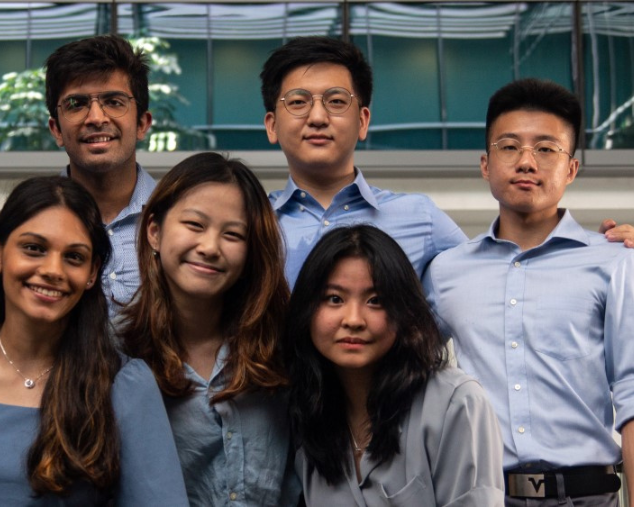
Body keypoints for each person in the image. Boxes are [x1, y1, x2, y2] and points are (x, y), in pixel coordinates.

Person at [0, 176, 188, 506]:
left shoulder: (123, 384)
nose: (52, 270)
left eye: (74, 257)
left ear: (93, 273)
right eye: (34, 248)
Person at [260, 36, 634, 286]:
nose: (318, 117)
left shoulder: (418, 218)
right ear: (272, 125)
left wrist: (604, 250)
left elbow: (502, 277)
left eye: (337, 100)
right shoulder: (249, 222)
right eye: (298, 102)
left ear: (363, 121)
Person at [423, 79, 634, 505]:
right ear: (485, 164)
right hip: (481, 494)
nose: (526, 162)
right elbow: (405, 375)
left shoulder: (616, 261)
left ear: (571, 169)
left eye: (545, 148)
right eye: (509, 146)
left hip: (586, 495)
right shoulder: (445, 271)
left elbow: (632, 393)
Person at [119, 152, 301, 507]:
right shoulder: (116, 350)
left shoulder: (282, 345)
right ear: (154, 232)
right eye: (194, 225)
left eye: (232, 234)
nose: (210, 247)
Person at [287, 224, 504, 505]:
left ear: (404, 311)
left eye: (375, 300)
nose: (353, 319)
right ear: (307, 311)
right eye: (335, 299)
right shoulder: (306, 410)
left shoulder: (456, 403)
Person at [45, 35, 154, 318]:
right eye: (76, 104)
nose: (96, 117)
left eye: (114, 101)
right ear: (56, 129)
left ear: (142, 123)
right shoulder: (26, 225)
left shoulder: (177, 219)